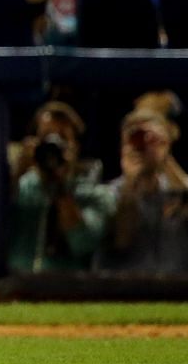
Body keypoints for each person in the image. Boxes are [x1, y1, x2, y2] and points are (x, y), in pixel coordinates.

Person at [7, 101, 114, 272]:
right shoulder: (20, 188)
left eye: (63, 138)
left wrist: (61, 186)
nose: (54, 146)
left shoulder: (96, 194)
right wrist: (16, 173)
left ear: (76, 147)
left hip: (66, 290)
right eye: (46, 137)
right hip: (16, 287)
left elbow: (83, 243)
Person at [100, 108, 188, 273]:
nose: (144, 146)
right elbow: (121, 240)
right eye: (135, 140)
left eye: (152, 140)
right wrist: (131, 181)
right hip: (127, 289)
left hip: (180, 289)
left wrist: (165, 157)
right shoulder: (109, 193)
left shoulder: (182, 184)